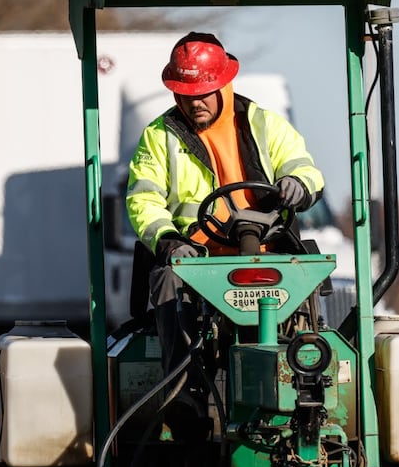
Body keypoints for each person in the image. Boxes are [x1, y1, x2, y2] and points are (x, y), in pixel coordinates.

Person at [125, 32, 325, 430]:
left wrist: (298, 184)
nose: (194, 101)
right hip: (196, 264)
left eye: (204, 91)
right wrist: (167, 241)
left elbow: (303, 166)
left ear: (223, 85)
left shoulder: (264, 124)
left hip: (267, 256)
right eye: (185, 92)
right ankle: (184, 400)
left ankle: (305, 395)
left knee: (307, 281)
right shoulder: (159, 136)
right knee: (167, 283)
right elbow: (143, 200)